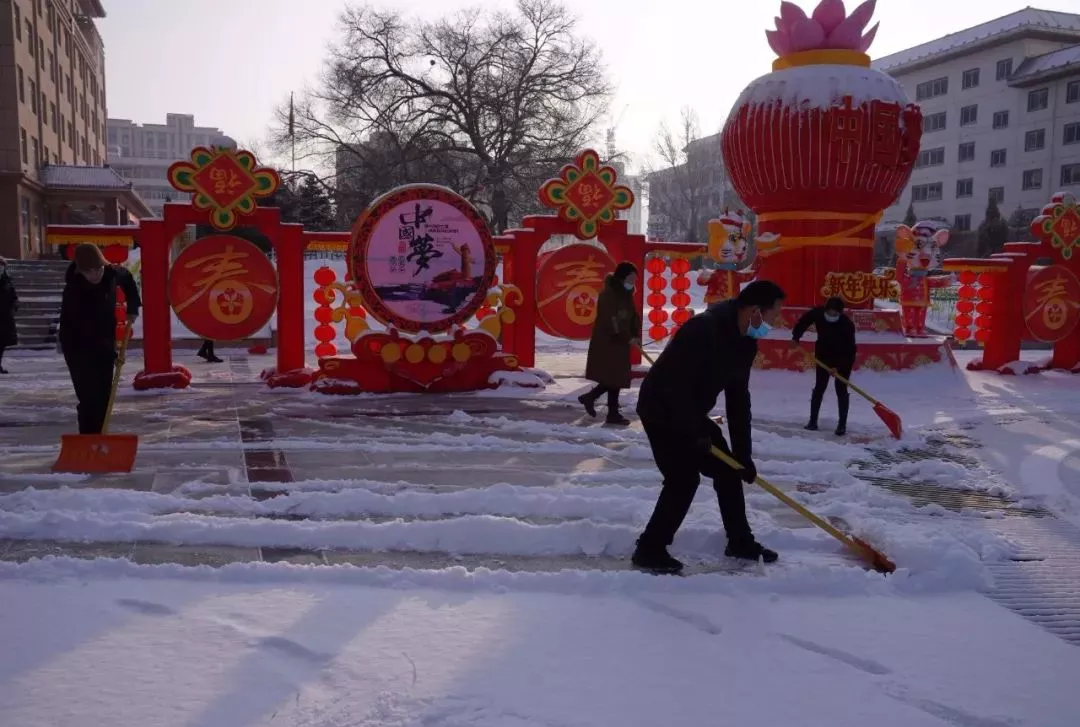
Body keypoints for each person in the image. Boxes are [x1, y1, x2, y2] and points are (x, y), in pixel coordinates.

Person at [632, 280, 786, 574]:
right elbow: (674, 386)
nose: (773, 322)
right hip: (661, 410)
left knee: (729, 471)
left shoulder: (745, 342)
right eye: (773, 315)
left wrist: (744, 455)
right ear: (755, 311)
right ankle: (649, 549)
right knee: (683, 478)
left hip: (691, 413)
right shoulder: (703, 329)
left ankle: (740, 542)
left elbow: (738, 400)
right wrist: (694, 431)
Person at [59, 243, 141, 435]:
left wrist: (132, 308)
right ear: (81, 271)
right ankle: (88, 438)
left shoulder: (112, 273)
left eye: (99, 269)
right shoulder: (73, 290)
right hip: (77, 349)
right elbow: (70, 329)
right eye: (90, 271)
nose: (96, 275)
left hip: (104, 345)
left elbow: (128, 279)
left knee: (105, 397)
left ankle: (100, 436)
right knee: (88, 398)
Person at [578, 262, 641, 426]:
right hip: (609, 340)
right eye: (631, 278)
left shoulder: (627, 294)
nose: (633, 282)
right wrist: (626, 336)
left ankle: (607, 409)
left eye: (635, 279)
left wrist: (634, 333)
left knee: (616, 377)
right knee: (614, 376)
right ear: (622, 277)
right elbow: (610, 319)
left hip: (621, 341)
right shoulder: (609, 293)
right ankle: (596, 401)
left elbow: (632, 316)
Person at [791, 296, 857, 436]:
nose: (831, 316)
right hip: (823, 355)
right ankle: (813, 421)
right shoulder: (819, 313)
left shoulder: (847, 325)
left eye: (835, 314)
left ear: (840, 313)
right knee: (820, 386)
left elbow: (850, 350)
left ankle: (842, 425)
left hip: (843, 358)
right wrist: (796, 337)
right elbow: (803, 322)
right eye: (830, 312)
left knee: (841, 389)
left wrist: (838, 367)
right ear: (826, 309)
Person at [0, 257, 17, 374]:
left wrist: (15, 302)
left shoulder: (6, 279)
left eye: (2, 265)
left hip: (5, 316)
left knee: (2, 343)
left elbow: (12, 293)